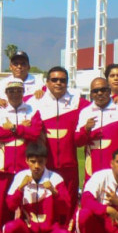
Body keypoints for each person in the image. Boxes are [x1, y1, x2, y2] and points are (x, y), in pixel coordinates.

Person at [27, 66, 89, 224]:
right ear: (47, 82)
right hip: (45, 165)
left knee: (69, 203)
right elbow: (15, 105)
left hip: (69, 165)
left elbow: (99, 105)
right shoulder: (35, 101)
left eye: (62, 80)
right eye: (54, 80)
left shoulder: (77, 102)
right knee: (44, 202)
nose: (58, 83)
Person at [2, 144, 74, 233]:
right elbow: (10, 205)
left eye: (40, 162)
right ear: (26, 161)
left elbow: (65, 208)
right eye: (33, 161)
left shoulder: (56, 178)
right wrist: (20, 188)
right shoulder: (20, 177)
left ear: (46, 161)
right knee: (9, 229)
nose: (36, 166)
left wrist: (54, 192)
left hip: (50, 230)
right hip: (28, 229)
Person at [0, 77, 42, 233]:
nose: (15, 94)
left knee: (28, 202)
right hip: (4, 165)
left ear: (23, 92)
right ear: (6, 93)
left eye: (18, 91)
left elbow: (35, 134)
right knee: (2, 206)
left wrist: (12, 128)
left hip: (25, 165)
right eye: (11, 91)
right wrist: (22, 129)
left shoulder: (32, 110)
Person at [76, 77, 118, 183]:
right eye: (95, 91)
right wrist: (85, 129)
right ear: (91, 94)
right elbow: (78, 142)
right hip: (92, 167)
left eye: (103, 90)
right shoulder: (85, 112)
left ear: (109, 91)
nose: (99, 93)